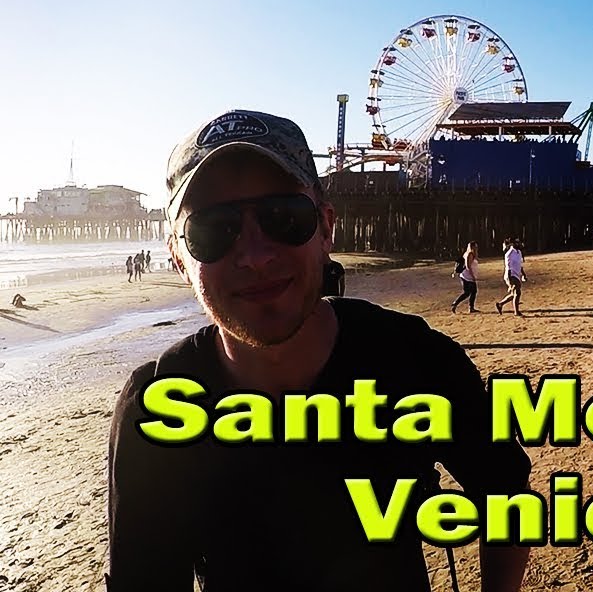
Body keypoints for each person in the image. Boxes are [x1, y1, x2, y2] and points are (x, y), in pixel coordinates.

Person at [105, 109, 531, 591]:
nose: (255, 256)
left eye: (284, 217)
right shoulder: (156, 407)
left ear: (326, 227)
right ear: (178, 257)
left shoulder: (416, 360)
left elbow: (506, 492)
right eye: (212, 229)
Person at [495, 238, 527, 316]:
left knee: (514, 294)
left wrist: (523, 274)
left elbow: (519, 265)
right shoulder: (509, 254)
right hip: (511, 275)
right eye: (517, 243)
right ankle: (516, 311)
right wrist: (510, 281)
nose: (519, 244)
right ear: (513, 244)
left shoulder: (519, 252)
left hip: (516, 275)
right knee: (517, 293)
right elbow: (508, 267)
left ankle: (500, 304)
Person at [451, 241, 479, 313]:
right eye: (475, 246)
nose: (477, 248)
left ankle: (469, 307)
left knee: (471, 292)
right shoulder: (470, 254)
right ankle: (457, 304)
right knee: (469, 292)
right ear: (472, 247)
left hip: (467, 276)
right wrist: (473, 276)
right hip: (467, 276)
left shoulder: (468, 253)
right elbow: (468, 266)